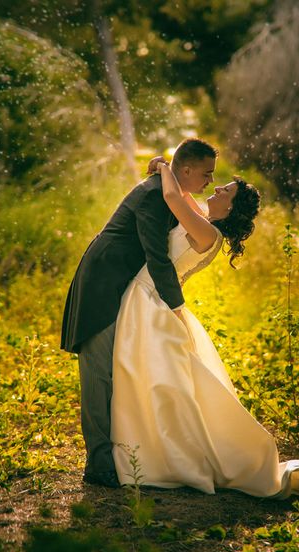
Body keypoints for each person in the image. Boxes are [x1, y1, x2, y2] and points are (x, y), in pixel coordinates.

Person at [110, 159, 299, 498]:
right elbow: (179, 195)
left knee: (162, 382)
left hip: (154, 301)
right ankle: (150, 450)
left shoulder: (208, 233)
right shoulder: (202, 219)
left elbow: (171, 194)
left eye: (226, 190)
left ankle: (172, 458)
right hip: (146, 297)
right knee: (149, 379)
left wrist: (164, 165)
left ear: (231, 207)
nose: (217, 187)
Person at [61, 138, 219, 488]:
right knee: (99, 376)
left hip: (124, 289)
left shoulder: (168, 190)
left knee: (120, 373)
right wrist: (177, 307)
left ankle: (120, 454)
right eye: (206, 174)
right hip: (104, 284)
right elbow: (157, 256)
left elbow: (184, 206)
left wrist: (163, 165)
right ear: (188, 169)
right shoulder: (153, 195)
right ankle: (99, 464)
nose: (210, 181)